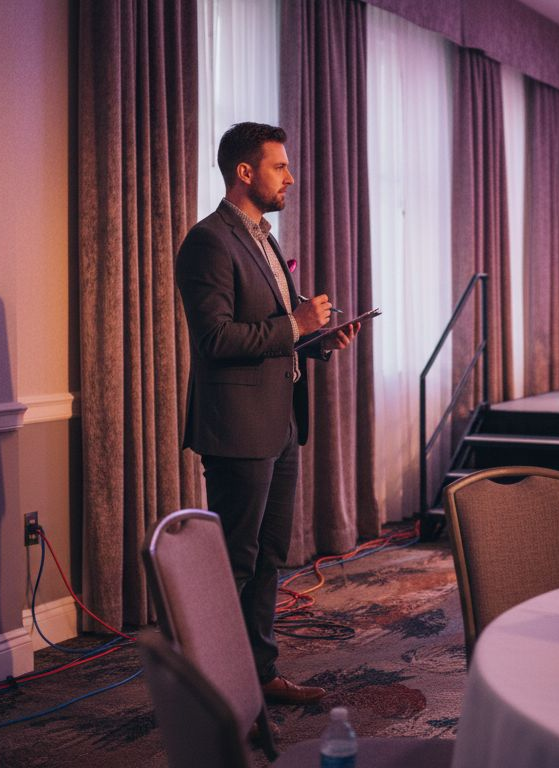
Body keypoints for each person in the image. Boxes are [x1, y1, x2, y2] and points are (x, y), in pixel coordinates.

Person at [176, 122, 359, 705]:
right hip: (236, 429)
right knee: (234, 560)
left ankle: (260, 676)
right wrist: (295, 325)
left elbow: (271, 338)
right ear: (245, 173)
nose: (292, 176)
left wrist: (318, 342)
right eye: (280, 167)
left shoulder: (263, 237)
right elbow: (215, 339)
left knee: (269, 556)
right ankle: (216, 690)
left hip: (280, 422)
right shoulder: (209, 241)